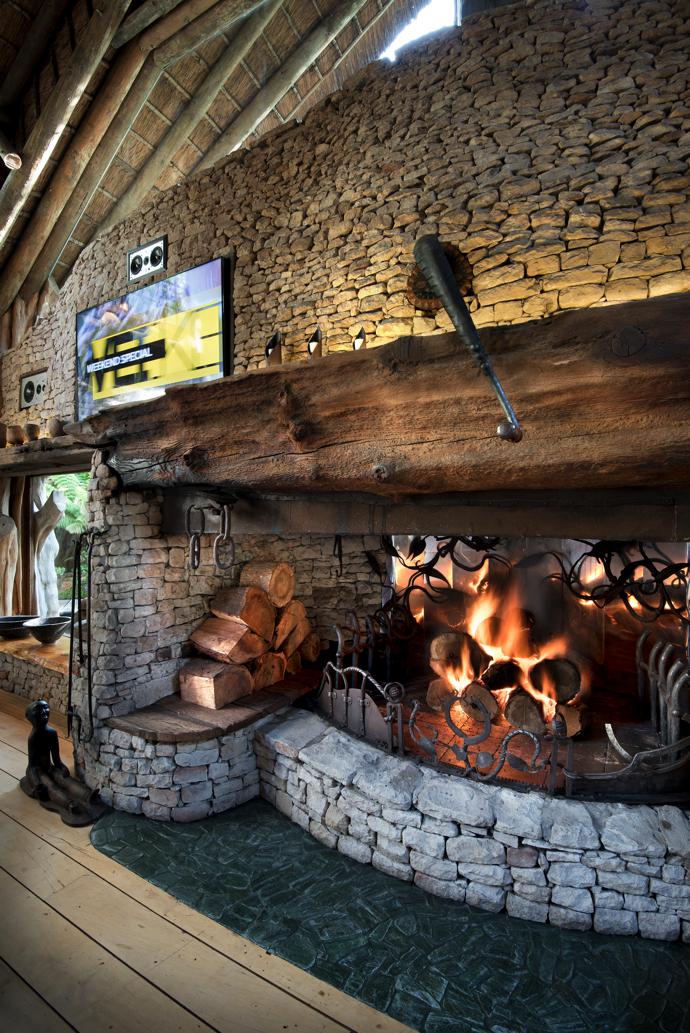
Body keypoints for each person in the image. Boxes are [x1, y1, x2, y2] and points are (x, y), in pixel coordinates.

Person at [20, 699, 106, 826]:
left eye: (45, 709)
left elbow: (56, 758)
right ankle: (69, 804)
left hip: (49, 766)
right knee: (50, 786)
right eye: (39, 711)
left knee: (65, 779)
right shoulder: (33, 738)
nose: (44, 712)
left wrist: (61, 767)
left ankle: (87, 795)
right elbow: (32, 766)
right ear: (30, 717)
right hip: (37, 771)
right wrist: (37, 783)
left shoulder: (51, 733)